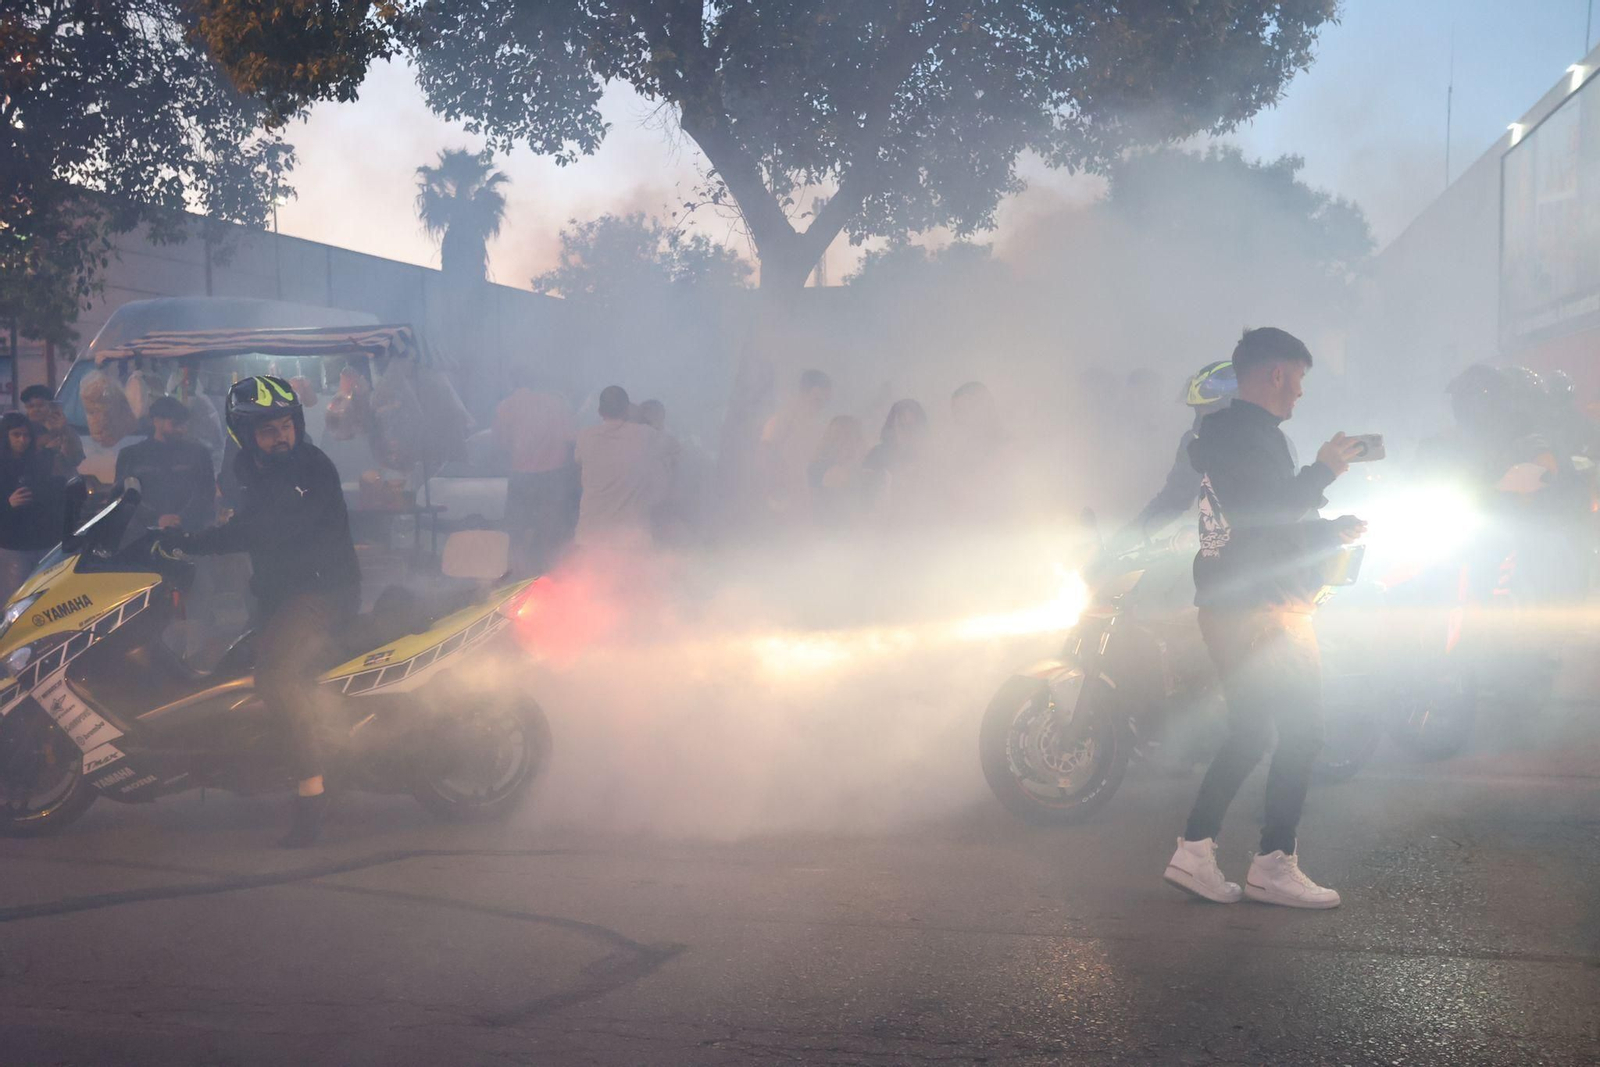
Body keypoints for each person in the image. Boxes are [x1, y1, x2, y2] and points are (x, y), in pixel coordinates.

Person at [1163, 328, 1365, 910]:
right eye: (1298, 379)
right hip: (1263, 607)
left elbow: (1260, 525)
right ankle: (1275, 864)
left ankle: (1194, 852)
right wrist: (1324, 471)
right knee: (1304, 731)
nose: (1300, 393)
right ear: (1276, 374)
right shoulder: (1249, 437)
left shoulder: (1224, 436)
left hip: (1232, 601)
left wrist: (1329, 529)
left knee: (1252, 732)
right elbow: (1271, 514)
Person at [165, 376, 360, 848]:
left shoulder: (308, 468)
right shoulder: (246, 468)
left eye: (287, 424)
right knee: (233, 669)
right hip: (280, 594)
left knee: (276, 676)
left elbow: (259, 531)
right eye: (269, 429)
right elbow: (235, 518)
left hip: (322, 592)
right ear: (244, 433)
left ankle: (313, 797)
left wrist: (190, 543)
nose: (281, 436)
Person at [1125, 361, 1237, 541]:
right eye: (1198, 410)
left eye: (1209, 409)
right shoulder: (1194, 443)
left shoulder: (1266, 443)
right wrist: (1122, 542)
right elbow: (1174, 499)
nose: (1202, 417)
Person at [493, 376, 578, 573]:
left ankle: (516, 576)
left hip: (521, 475)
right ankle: (549, 573)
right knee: (551, 528)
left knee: (516, 530)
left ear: (512, 382)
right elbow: (570, 438)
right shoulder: (557, 404)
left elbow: (500, 441)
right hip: (553, 475)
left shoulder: (506, 406)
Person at [573, 385, 670, 552]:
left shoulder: (584, 437)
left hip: (591, 536)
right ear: (626, 410)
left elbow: (578, 462)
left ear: (600, 411)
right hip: (631, 539)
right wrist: (639, 414)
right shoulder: (645, 435)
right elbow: (673, 448)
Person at [114, 396, 217, 532]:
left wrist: (182, 518)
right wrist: (155, 519)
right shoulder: (131, 456)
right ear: (156, 421)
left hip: (189, 532)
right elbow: (123, 496)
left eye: (184, 425)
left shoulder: (199, 454)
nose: (181, 430)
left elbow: (206, 492)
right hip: (142, 534)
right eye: (175, 424)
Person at [0, 412, 65, 602]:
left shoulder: (40, 462)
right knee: (15, 600)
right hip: (13, 545)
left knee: (44, 598)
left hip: (42, 541)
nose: (22, 440)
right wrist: (7, 503)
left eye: (26, 435)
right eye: (16, 435)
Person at [760, 369, 833, 519]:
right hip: (783, 503)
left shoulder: (815, 426)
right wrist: (776, 494)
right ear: (815, 391)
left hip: (805, 501)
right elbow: (765, 456)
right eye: (824, 395)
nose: (826, 402)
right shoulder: (783, 420)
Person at [808, 415, 869, 529]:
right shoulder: (819, 467)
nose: (846, 444)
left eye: (853, 437)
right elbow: (843, 480)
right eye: (839, 438)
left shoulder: (861, 470)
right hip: (830, 537)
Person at [22, 385, 85, 477]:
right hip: (34, 484)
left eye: (40, 405)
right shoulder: (21, 432)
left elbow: (75, 459)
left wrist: (64, 430)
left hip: (64, 485)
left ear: (50, 405)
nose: (35, 409)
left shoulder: (65, 429)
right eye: (31, 406)